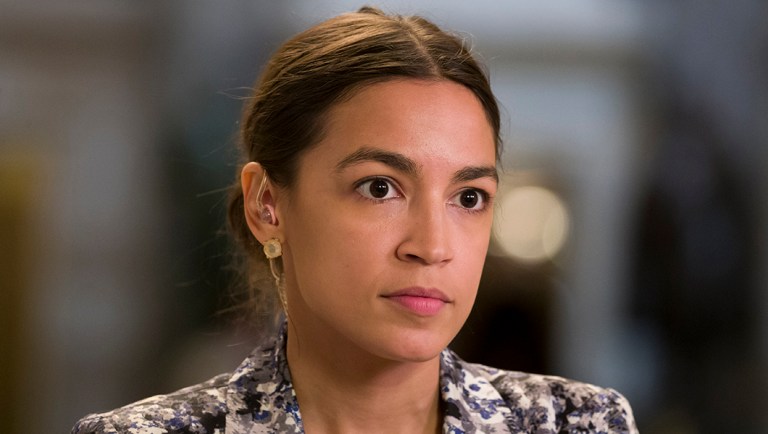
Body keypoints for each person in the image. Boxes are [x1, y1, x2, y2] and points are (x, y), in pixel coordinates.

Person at [72, 6, 637, 434]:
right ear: (267, 205)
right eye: (379, 188)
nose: (432, 246)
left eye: (468, 197)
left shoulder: (579, 423)